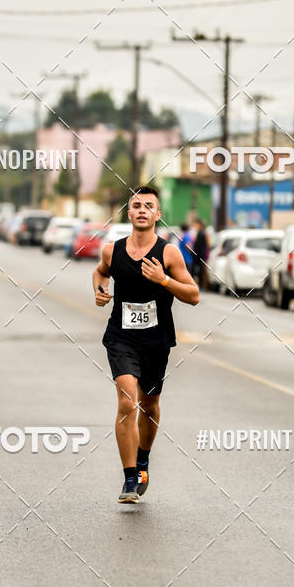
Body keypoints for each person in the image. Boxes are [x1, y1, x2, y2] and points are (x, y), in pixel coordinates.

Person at [93, 186, 200, 503]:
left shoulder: (168, 253)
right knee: (127, 402)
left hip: (156, 340)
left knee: (149, 404)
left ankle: (142, 460)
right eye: (136, 205)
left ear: (158, 215)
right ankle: (129, 480)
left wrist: (164, 280)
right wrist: (100, 290)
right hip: (121, 336)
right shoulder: (112, 251)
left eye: (148, 206)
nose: (142, 210)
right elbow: (100, 274)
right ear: (129, 213)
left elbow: (193, 296)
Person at [192, 219, 209, 289]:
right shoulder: (202, 233)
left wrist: (197, 256)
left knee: (200, 272)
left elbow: (200, 247)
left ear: (200, 225)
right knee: (201, 271)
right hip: (201, 256)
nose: (195, 226)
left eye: (196, 224)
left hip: (200, 256)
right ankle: (202, 285)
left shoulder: (201, 234)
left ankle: (202, 285)